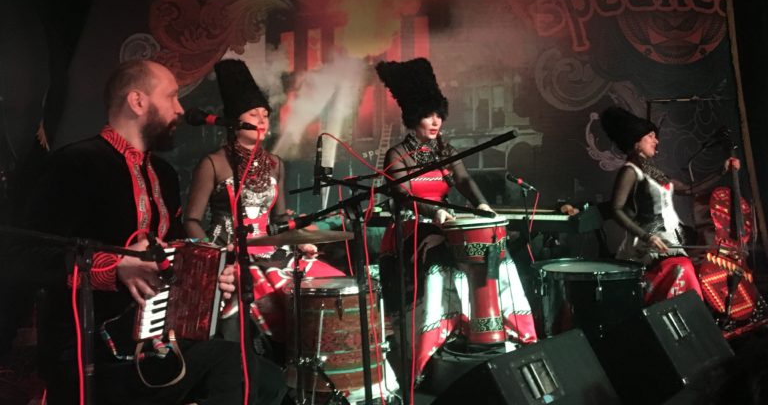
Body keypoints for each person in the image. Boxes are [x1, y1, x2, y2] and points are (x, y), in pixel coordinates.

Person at [29, 59, 286, 405]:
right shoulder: (74, 164)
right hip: (92, 349)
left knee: (270, 379)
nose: (180, 108)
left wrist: (213, 277)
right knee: (234, 367)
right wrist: (116, 265)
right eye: (171, 97)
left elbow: (177, 250)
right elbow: (23, 254)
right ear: (138, 101)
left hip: (157, 342)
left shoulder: (163, 173)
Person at [375, 58, 537, 384]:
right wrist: (433, 212)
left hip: (443, 223)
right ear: (413, 118)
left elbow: (464, 180)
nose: (435, 121)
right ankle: (433, 341)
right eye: (428, 115)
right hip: (410, 224)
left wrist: (482, 205)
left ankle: (499, 329)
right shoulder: (397, 155)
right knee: (440, 257)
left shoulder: (445, 150)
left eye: (439, 115)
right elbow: (403, 195)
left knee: (495, 252)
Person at [184, 59, 343, 352]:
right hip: (229, 252)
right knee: (261, 287)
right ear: (235, 121)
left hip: (271, 251)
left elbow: (280, 219)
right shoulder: (213, 163)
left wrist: (301, 241)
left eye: (266, 115)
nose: (262, 120)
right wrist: (212, 256)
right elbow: (191, 220)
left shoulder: (275, 163)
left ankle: (312, 355)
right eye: (253, 114)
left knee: (328, 280)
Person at [600, 105, 739, 304]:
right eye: (650, 136)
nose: (656, 141)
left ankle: (685, 313)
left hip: (668, 242)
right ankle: (681, 313)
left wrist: (721, 171)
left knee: (701, 264)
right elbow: (616, 209)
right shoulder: (630, 171)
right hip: (647, 246)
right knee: (683, 267)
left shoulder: (654, 172)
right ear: (636, 142)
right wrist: (647, 236)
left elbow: (689, 189)